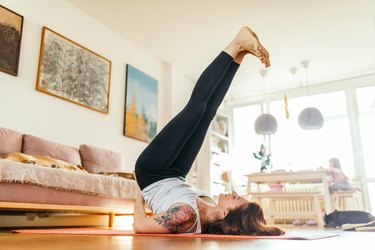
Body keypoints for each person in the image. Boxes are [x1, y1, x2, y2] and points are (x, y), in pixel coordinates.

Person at [133, 26, 284, 236]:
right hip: (176, 174)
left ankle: (236, 44)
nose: (234, 193)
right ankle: (240, 54)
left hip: (151, 173)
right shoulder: (210, 205)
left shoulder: (186, 216)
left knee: (195, 110)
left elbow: (140, 226)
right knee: (208, 113)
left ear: (225, 214)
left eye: (236, 198)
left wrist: (140, 194)